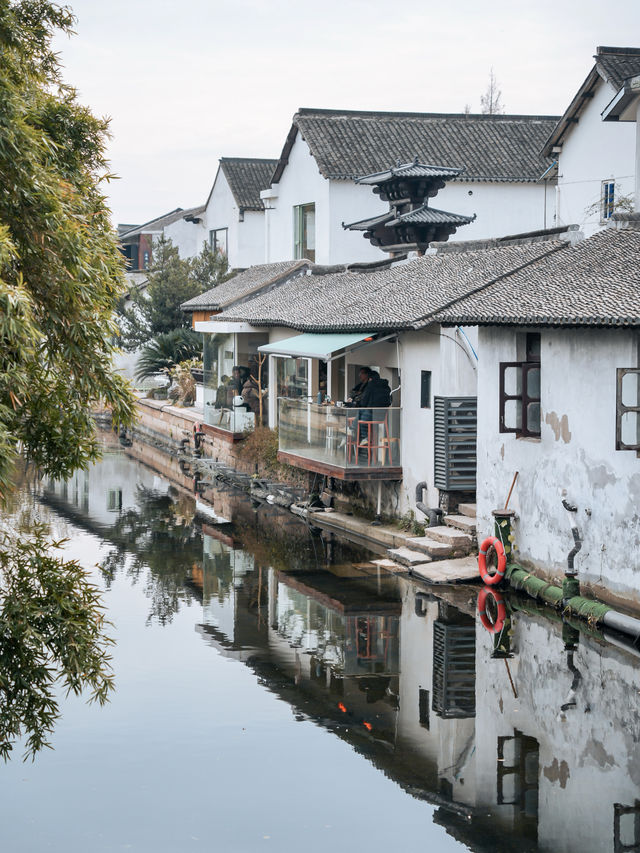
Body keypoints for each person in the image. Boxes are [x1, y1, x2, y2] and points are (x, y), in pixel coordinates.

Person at [358, 370, 391, 447]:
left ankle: (365, 437)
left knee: (360, 413)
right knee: (361, 413)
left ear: (370, 379)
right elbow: (390, 400)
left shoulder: (371, 385)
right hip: (383, 416)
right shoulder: (387, 387)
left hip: (372, 415)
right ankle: (353, 430)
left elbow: (364, 402)